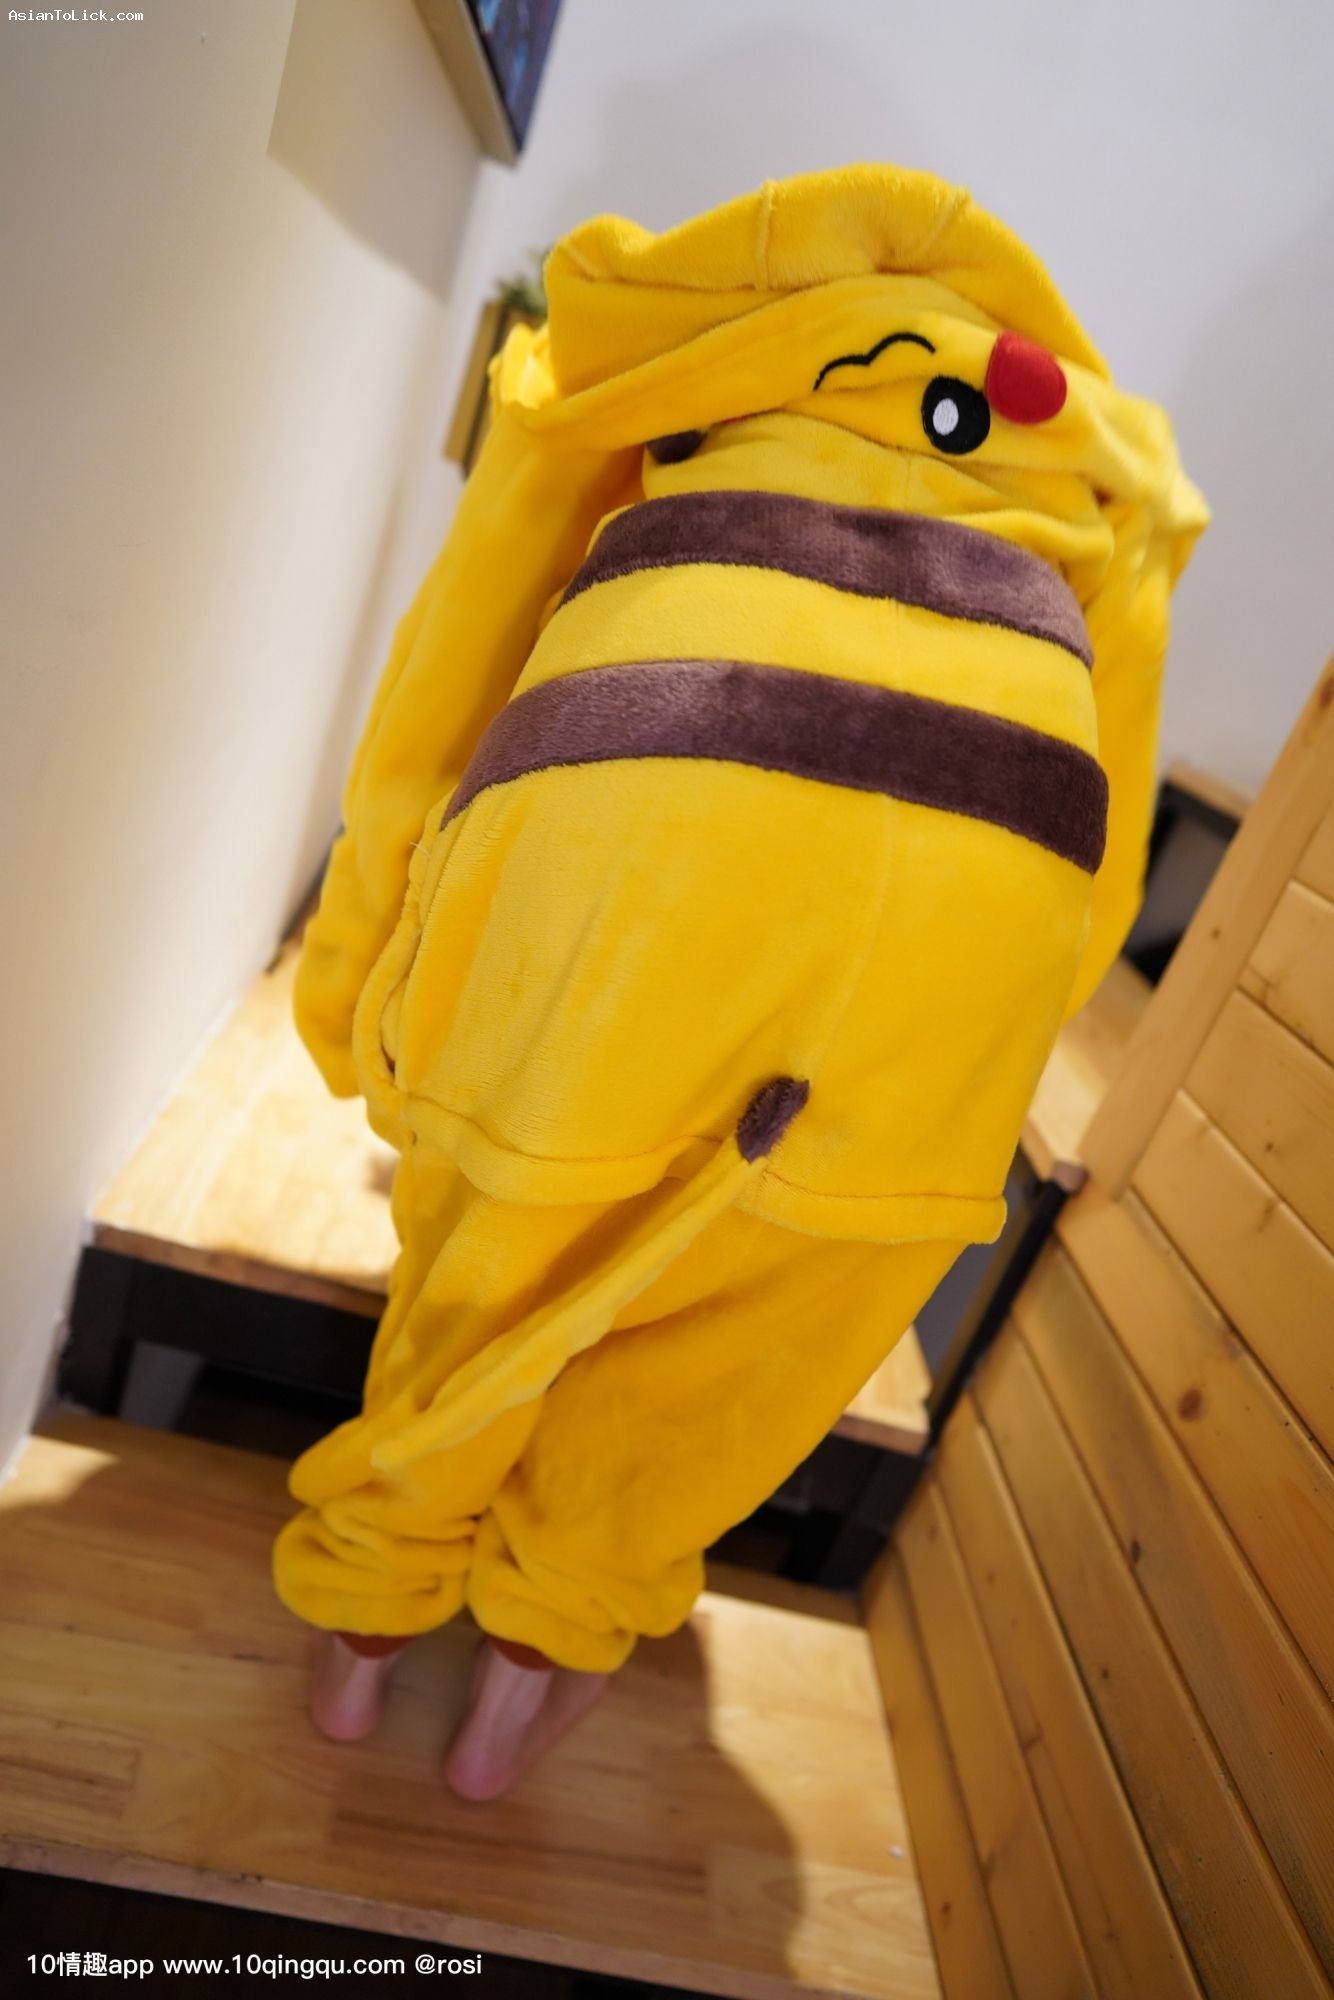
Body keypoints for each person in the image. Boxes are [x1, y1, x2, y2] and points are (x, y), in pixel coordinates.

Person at [272, 162, 1207, 1800]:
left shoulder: (658, 348)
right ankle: (520, 1691)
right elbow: (1106, 851)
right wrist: (952, 1066)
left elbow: (457, 662)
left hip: (657, 771)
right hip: (982, 880)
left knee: (495, 1258)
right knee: (732, 1356)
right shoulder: (1105, 453)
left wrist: (360, 976)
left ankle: (360, 1635)